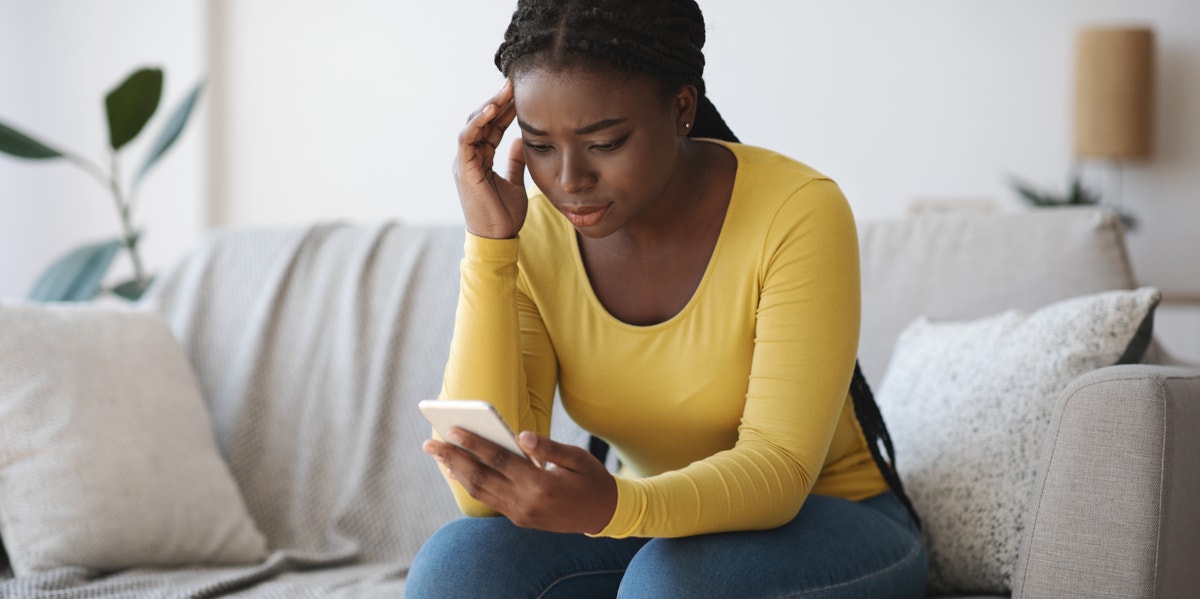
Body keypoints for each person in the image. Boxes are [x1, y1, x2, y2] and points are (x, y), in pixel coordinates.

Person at [408, 1, 928, 596]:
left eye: (604, 143)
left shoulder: (797, 211)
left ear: (681, 107)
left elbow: (779, 473)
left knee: (668, 587)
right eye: (541, 146)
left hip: (831, 518)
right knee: (459, 564)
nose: (569, 180)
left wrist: (617, 507)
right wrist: (491, 245)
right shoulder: (531, 227)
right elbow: (481, 496)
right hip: (651, 525)